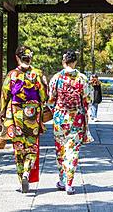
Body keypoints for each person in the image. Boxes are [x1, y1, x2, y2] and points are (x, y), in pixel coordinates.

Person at [0, 46, 47, 193]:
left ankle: (21, 181)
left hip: (16, 115)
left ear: (17, 58)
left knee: (19, 148)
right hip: (33, 115)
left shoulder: (12, 75)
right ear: (30, 58)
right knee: (32, 148)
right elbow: (44, 96)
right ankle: (26, 173)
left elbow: (4, 96)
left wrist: (0, 114)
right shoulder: (37, 74)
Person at [48, 49, 93, 195]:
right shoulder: (81, 78)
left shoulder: (56, 77)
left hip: (60, 118)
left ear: (63, 61)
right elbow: (88, 99)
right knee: (72, 151)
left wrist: (56, 109)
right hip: (76, 119)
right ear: (75, 62)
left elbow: (50, 99)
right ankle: (69, 183)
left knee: (60, 149)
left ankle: (61, 180)